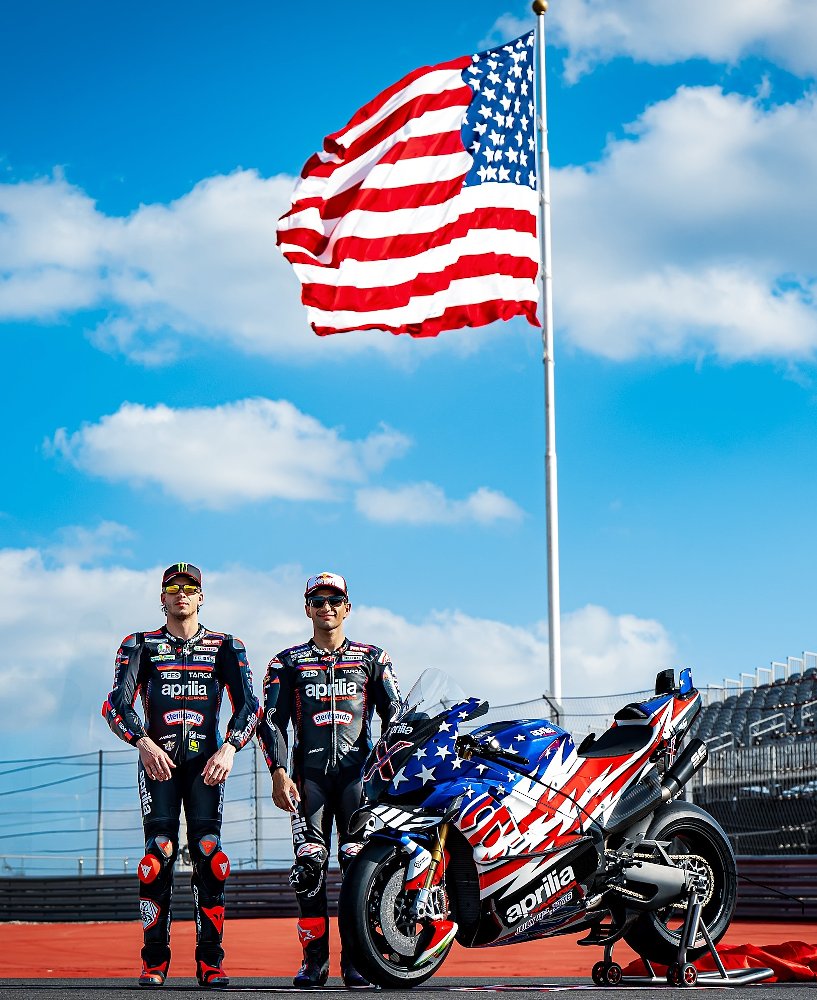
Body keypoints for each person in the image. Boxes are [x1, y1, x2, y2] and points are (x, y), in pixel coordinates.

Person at [102, 562, 261, 988]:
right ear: (162, 597)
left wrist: (230, 747)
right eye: (173, 588)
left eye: (190, 588)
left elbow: (251, 705)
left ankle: (211, 961)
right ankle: (154, 960)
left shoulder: (227, 645)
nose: (182, 594)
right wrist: (142, 742)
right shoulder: (139, 644)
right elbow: (115, 705)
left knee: (211, 854)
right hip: (159, 763)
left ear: (201, 596)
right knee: (157, 856)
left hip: (207, 765)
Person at [258, 572, 401, 989]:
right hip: (309, 780)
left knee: (360, 867)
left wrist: (390, 768)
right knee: (309, 866)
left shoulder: (374, 657)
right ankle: (314, 962)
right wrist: (279, 773)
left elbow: (395, 715)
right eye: (318, 601)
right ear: (307, 609)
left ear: (348, 607)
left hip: (359, 779)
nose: (327, 608)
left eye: (334, 600)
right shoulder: (285, 661)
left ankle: (359, 960)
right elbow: (272, 722)